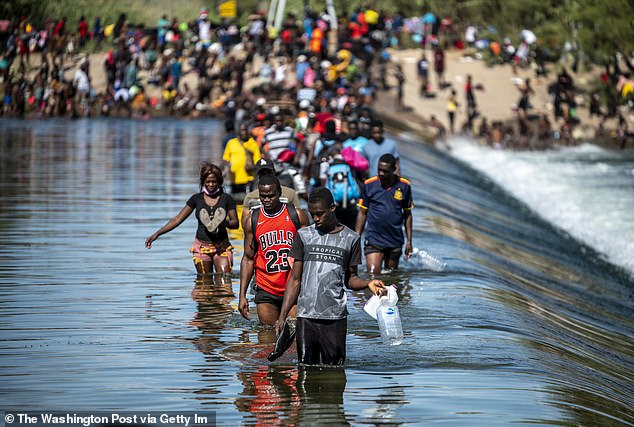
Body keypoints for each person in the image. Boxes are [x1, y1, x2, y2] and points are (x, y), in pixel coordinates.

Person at [276, 187, 386, 366]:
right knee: (305, 371)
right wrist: (282, 316)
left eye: (320, 213)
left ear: (332, 208)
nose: (316, 219)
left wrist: (368, 283)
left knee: (334, 371)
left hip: (334, 318)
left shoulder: (351, 238)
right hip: (307, 316)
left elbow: (350, 279)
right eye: (312, 214)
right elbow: (295, 280)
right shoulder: (304, 236)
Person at [145, 162, 239, 275]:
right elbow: (177, 219)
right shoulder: (196, 199)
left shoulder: (226, 199)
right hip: (201, 247)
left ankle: (215, 224)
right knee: (205, 285)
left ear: (219, 182)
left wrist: (223, 222)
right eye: (208, 182)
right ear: (203, 182)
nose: (211, 184)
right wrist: (157, 234)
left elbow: (235, 223)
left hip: (222, 247)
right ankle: (211, 225)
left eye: (214, 181)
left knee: (225, 279)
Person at [239, 175, 309, 325]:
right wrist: (242, 295)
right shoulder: (252, 220)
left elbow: (308, 254)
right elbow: (248, 258)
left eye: (271, 196)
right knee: (267, 340)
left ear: (279, 193)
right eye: (263, 196)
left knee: (294, 335)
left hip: (293, 286)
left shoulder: (297, 216)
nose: (267, 200)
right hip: (266, 288)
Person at [355, 153, 413, 274]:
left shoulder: (404, 185)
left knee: (390, 277)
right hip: (374, 239)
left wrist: (409, 241)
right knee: (372, 275)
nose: (381, 173)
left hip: (395, 240)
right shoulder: (369, 185)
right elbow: (362, 213)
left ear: (394, 169)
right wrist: (356, 238)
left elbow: (408, 214)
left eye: (385, 171)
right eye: (379, 170)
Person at [222, 122, 261, 194]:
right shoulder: (231, 142)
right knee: (235, 201)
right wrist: (228, 167)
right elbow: (225, 158)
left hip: (248, 179)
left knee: (247, 200)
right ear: (238, 132)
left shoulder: (253, 143)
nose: (244, 132)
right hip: (234, 178)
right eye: (242, 130)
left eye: (245, 130)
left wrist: (252, 167)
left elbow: (258, 161)